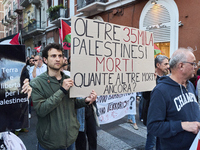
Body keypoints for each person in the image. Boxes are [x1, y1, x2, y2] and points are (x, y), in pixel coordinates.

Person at [30, 43, 97, 150]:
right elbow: (41, 110)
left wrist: (85, 100)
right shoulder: (37, 83)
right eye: (53, 56)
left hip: (70, 139)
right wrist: (62, 90)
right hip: (50, 143)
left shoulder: (68, 79)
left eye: (60, 56)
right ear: (45, 60)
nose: (58, 59)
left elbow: (72, 104)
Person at [147, 47, 200, 150]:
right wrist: (182, 125)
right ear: (181, 66)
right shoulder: (160, 91)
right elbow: (153, 126)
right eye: (193, 63)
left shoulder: (190, 85)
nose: (195, 67)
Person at [142, 55, 169, 150]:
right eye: (165, 64)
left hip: (164, 116)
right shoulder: (150, 78)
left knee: (161, 141)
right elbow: (145, 96)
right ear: (158, 65)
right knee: (151, 141)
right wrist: (152, 81)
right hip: (153, 116)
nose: (168, 66)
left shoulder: (167, 78)